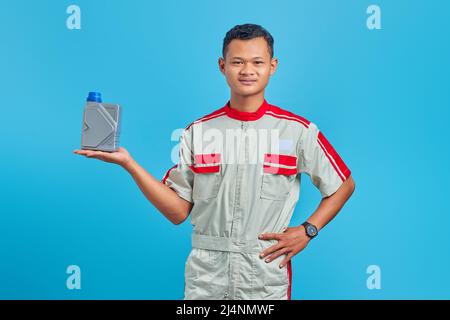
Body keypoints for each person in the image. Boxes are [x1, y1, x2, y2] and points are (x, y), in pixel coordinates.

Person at [73, 23, 355, 300]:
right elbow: (177, 212)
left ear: (273, 66)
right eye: (237, 62)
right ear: (222, 66)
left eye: (257, 61)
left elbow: (343, 184)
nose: (247, 70)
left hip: (263, 272)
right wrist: (129, 164)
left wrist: (308, 230)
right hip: (207, 275)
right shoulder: (199, 132)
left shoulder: (297, 131)